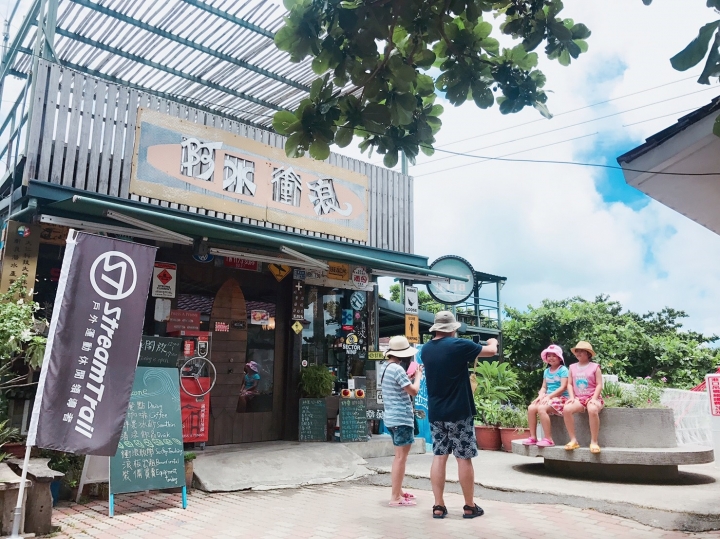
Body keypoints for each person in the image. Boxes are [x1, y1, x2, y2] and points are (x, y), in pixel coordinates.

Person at [421, 311, 498, 520]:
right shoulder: (460, 345)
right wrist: (493, 340)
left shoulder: (426, 350)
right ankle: (469, 506)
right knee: (463, 458)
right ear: (453, 329)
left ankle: (438, 505)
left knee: (439, 456)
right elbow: (490, 351)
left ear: (436, 328)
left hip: (436, 412)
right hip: (459, 412)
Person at [380, 335, 423, 507]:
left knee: (399, 457)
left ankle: (399, 491)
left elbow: (399, 387)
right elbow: (413, 391)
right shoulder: (397, 369)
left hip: (391, 418)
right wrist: (418, 376)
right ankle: (395, 497)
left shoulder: (386, 367)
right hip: (401, 418)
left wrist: (409, 376)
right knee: (400, 458)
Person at [522, 344, 569, 447]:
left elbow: (563, 387)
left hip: (562, 398)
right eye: (549, 356)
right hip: (548, 397)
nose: (551, 358)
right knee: (531, 408)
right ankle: (533, 437)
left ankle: (548, 439)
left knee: (542, 408)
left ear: (559, 358)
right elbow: (544, 387)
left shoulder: (563, 370)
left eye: (554, 355)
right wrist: (540, 396)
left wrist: (548, 397)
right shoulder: (546, 371)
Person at [563, 341, 604, 453]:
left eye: (582, 351)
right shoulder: (572, 367)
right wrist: (571, 397)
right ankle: (573, 440)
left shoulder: (595, 367)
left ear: (588, 353)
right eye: (577, 351)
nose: (578, 353)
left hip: (592, 396)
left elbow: (599, 384)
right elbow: (570, 384)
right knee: (566, 409)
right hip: (578, 398)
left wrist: (594, 398)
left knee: (592, 409)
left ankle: (594, 442)